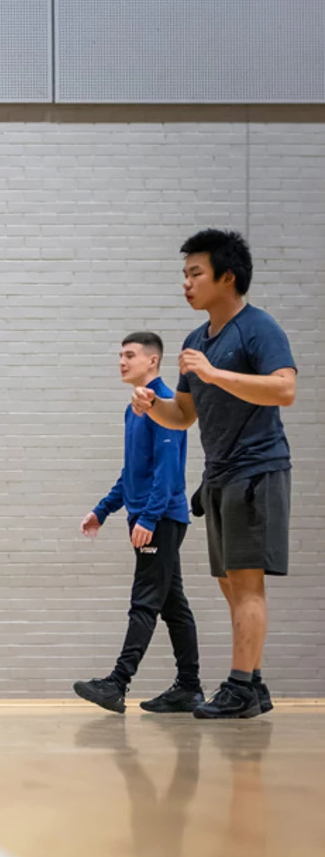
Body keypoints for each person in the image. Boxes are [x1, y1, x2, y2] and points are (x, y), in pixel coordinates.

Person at [133, 229, 296, 719]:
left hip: (257, 470)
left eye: (195, 273)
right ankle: (256, 684)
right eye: (184, 275)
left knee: (247, 584)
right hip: (220, 475)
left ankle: (241, 687)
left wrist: (215, 374)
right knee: (230, 583)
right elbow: (183, 414)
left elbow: (284, 390)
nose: (186, 283)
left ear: (227, 277)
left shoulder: (257, 328)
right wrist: (151, 405)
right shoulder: (193, 342)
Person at [75, 332, 202, 714]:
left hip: (159, 518)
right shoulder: (135, 408)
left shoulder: (163, 404)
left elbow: (167, 471)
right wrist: (103, 509)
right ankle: (190, 687)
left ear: (153, 361)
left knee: (145, 600)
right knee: (173, 604)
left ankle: (117, 683)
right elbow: (133, 471)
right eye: (120, 355)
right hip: (150, 515)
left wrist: (148, 516)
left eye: (129, 355)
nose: (122, 361)